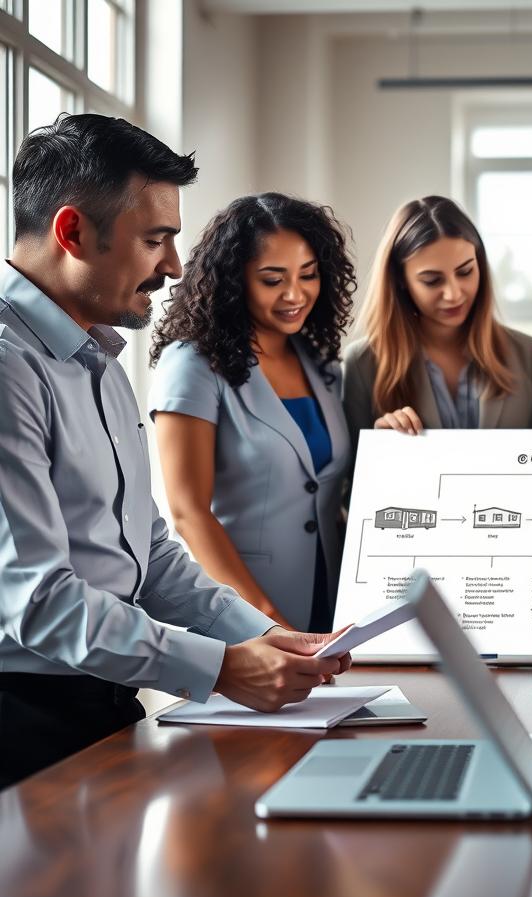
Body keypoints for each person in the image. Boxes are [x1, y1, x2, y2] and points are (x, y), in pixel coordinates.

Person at [0, 115, 348, 790]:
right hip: (23, 717)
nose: (174, 266)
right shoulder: (10, 368)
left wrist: (260, 636)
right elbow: (37, 601)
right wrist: (221, 667)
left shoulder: (99, 356)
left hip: (106, 702)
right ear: (72, 232)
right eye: (154, 239)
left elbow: (150, 552)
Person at [149, 194, 355, 633]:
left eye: (308, 274)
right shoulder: (191, 364)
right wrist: (266, 620)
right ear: (234, 280)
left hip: (332, 600)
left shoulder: (319, 361)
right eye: (272, 279)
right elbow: (188, 513)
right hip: (245, 614)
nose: (295, 294)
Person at [342, 195, 532, 440]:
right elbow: (354, 463)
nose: (453, 294)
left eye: (465, 271)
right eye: (432, 280)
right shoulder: (362, 363)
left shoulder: (525, 352)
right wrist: (380, 444)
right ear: (400, 280)